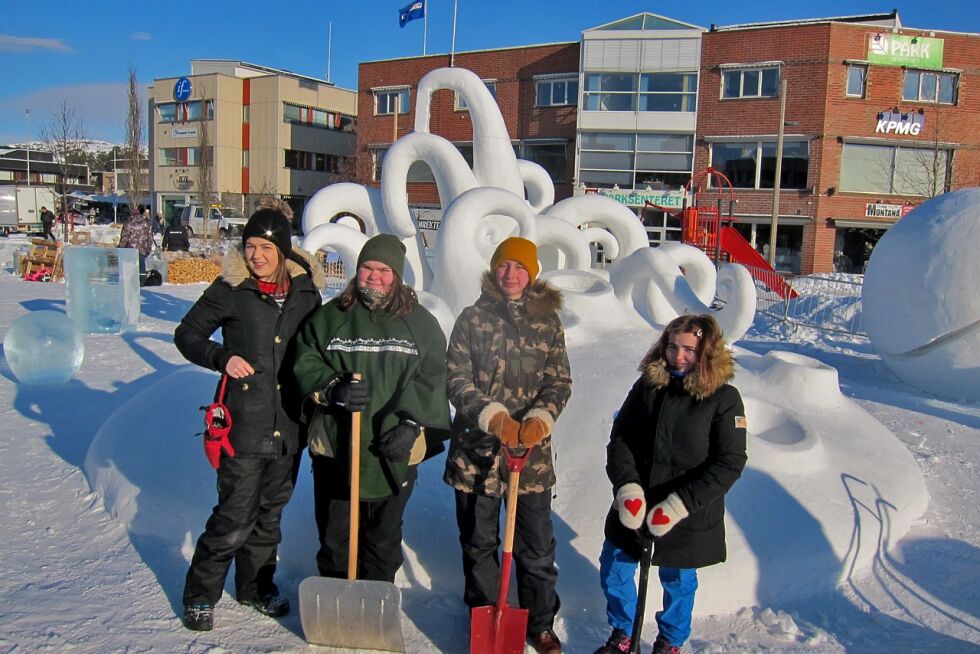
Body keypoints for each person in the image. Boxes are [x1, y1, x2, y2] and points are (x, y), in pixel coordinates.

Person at [174, 200, 324, 632]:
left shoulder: (306, 292)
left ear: (282, 251)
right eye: (250, 246)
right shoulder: (231, 289)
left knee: (269, 516)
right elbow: (186, 334)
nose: (256, 255)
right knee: (234, 516)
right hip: (244, 424)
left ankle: (255, 587)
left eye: (265, 247)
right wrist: (221, 356)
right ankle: (200, 595)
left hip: (290, 425)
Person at [292, 233, 450, 584]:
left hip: (394, 448)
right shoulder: (331, 317)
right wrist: (332, 387)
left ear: (396, 275)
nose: (374, 276)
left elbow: (434, 375)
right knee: (336, 533)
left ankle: (376, 597)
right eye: (367, 268)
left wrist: (412, 424)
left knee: (383, 535)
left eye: (383, 270)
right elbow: (304, 358)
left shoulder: (420, 324)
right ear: (356, 270)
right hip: (337, 444)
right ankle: (336, 597)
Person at [444, 236, 572, 654]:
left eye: (519, 267)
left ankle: (540, 624)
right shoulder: (471, 318)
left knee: (535, 547)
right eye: (503, 266)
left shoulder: (547, 322)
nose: (510, 274)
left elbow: (559, 381)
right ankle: (484, 614)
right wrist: (494, 417)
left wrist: (538, 421)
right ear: (493, 270)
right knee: (479, 544)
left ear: (531, 274)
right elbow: (456, 378)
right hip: (476, 456)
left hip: (529, 459)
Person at [594, 314, 747, 654]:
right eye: (673, 347)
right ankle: (623, 632)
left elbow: (729, 463)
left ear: (706, 352)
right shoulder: (648, 387)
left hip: (687, 511)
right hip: (638, 504)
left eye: (689, 350)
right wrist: (627, 489)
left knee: (678, 581)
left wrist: (678, 506)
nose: (678, 356)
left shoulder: (724, 399)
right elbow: (620, 439)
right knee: (615, 568)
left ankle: (670, 642)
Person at [118, 206, 153, 285]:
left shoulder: (128, 224)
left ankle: (130, 281)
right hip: (142, 249)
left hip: (130, 249)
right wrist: (148, 249)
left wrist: (121, 247)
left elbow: (124, 237)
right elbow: (150, 238)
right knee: (141, 266)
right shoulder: (146, 224)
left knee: (130, 266)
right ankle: (142, 281)